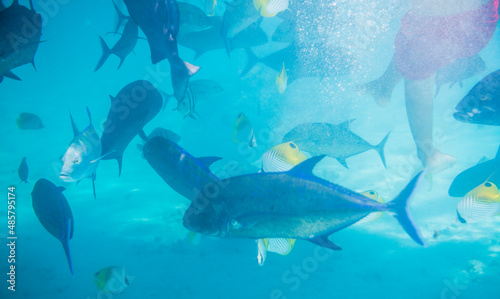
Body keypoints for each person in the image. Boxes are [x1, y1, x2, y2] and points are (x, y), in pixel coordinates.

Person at [358, 0, 499, 173]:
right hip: (480, 18)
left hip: (442, 17)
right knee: (410, 47)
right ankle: (383, 86)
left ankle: (427, 153)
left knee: (418, 71)